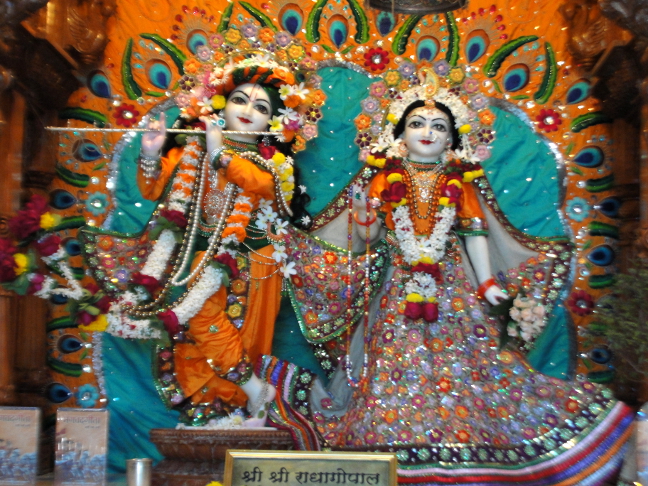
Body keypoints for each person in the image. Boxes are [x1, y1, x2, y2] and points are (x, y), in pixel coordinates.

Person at [281, 71, 634, 484]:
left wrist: (487, 284)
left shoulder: (458, 181)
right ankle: (398, 441)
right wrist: (362, 217)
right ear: (399, 133)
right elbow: (371, 237)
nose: (427, 133)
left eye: (439, 126)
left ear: (451, 139)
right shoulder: (383, 177)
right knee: (395, 358)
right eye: (417, 123)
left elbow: (475, 233)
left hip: (451, 283)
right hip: (398, 283)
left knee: (468, 360)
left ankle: (464, 437)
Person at [124, 39, 323, 426]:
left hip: (252, 263)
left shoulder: (273, 162)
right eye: (240, 101)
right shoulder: (192, 150)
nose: (248, 111)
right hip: (195, 258)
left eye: (261, 107)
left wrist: (221, 155)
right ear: (221, 104)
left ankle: (242, 404)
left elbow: (259, 184)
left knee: (240, 334)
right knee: (193, 328)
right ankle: (234, 400)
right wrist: (150, 154)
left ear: (275, 120)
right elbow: (153, 189)